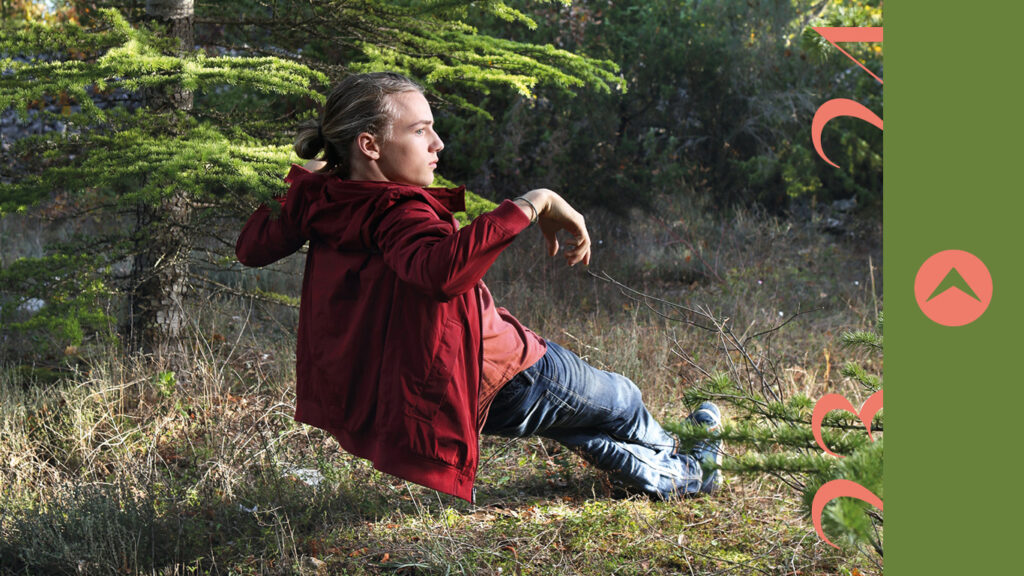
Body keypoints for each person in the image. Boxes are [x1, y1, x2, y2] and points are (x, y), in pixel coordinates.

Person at [235, 72, 723, 504]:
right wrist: (534, 202)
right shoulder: (398, 210)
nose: (438, 143)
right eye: (419, 130)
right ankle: (693, 465)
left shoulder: (325, 199)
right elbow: (439, 272)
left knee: (586, 431)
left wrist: (303, 179)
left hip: (450, 384)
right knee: (624, 400)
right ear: (370, 145)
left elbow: (251, 247)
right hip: (503, 369)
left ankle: (672, 469)